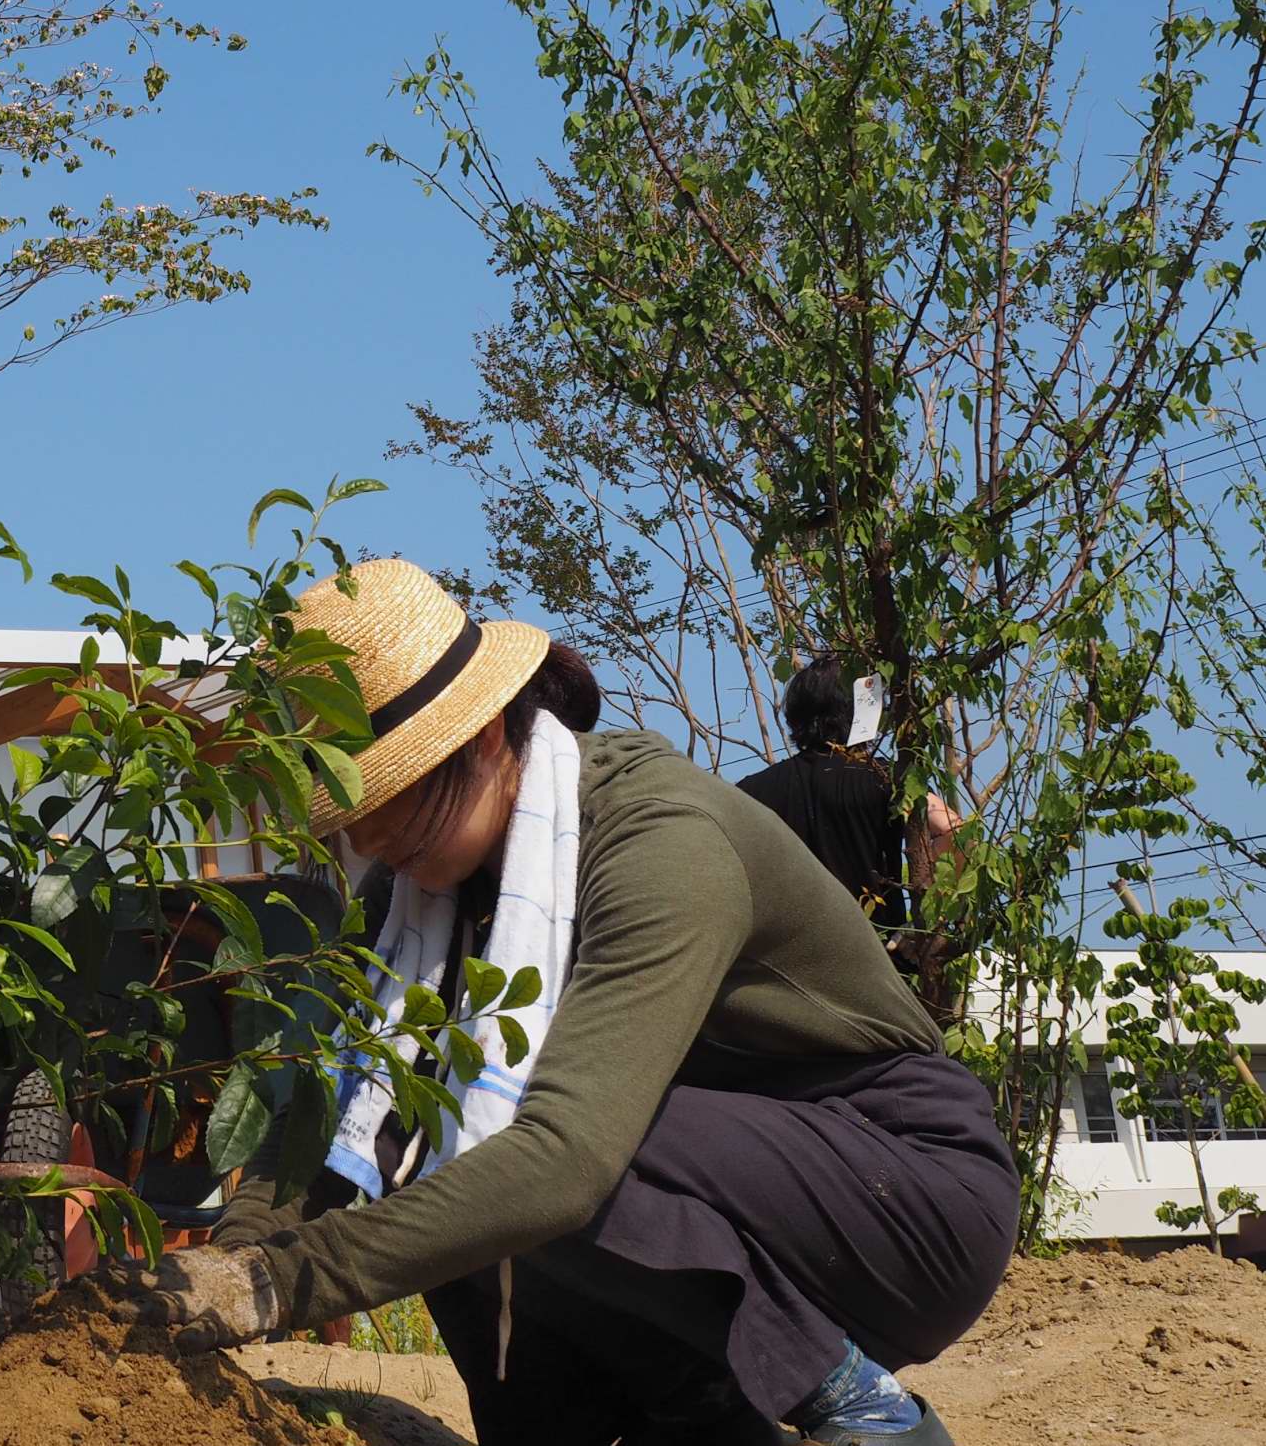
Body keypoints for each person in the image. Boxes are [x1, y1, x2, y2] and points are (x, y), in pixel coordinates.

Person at [130, 559, 1014, 1446]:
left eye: (386, 799)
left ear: (478, 739)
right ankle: (685, 1415)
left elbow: (565, 1159)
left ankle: (858, 1405)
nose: (364, 838)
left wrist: (288, 1282)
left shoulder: (655, 838)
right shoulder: (414, 900)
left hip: (904, 1187)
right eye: (348, 813)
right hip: (710, 1180)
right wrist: (234, 1259)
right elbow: (347, 1120)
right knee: (446, 1144)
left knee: (494, 1152)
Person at [738, 655, 961, 936]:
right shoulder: (887, 779)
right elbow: (955, 832)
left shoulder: (750, 792)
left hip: (783, 967)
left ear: (795, 716)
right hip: (876, 958)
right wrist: (925, 913)